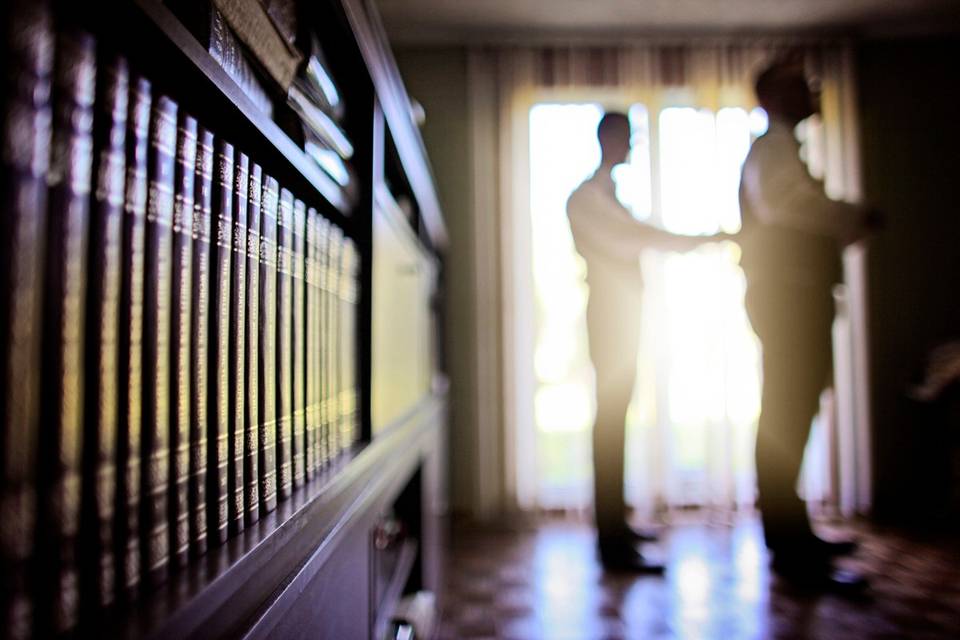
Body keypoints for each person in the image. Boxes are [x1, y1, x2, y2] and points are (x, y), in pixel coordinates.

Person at [738, 59, 881, 586]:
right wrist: (854, 215)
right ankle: (789, 545)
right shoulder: (772, 149)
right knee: (786, 413)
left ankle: (792, 534)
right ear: (775, 96)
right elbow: (788, 207)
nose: (812, 92)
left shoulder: (780, 150)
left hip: (794, 294)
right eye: (800, 86)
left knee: (791, 412)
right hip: (788, 297)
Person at [567, 111, 727, 572]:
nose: (632, 145)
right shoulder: (585, 197)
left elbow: (635, 238)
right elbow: (631, 239)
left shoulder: (605, 195)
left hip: (624, 315)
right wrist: (700, 240)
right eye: (627, 137)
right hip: (610, 317)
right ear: (608, 139)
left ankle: (616, 527)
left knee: (617, 420)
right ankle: (611, 540)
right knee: (610, 423)